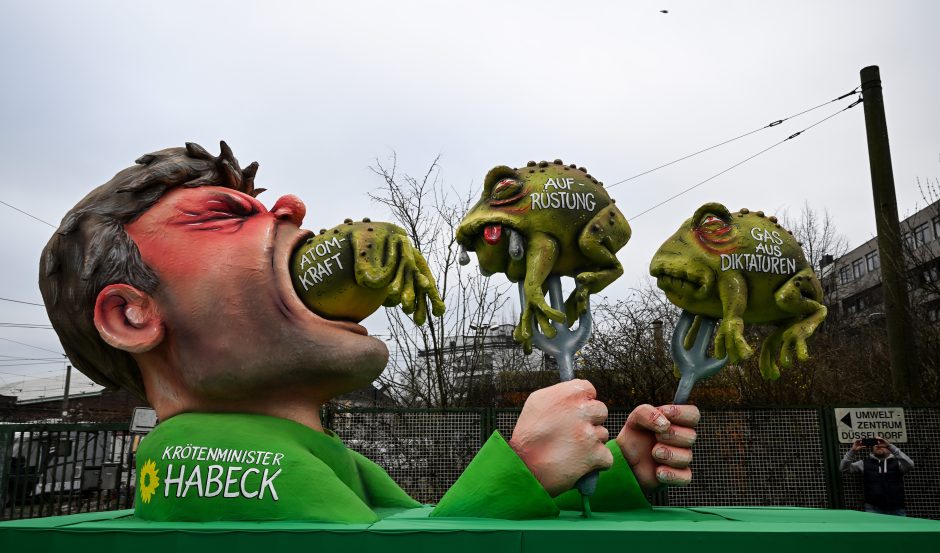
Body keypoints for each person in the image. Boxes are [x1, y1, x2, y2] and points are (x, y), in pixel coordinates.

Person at [39, 141, 699, 522]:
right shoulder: (202, 457)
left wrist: (607, 477)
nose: (290, 210)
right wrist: (518, 467)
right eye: (221, 215)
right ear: (132, 315)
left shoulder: (323, 457)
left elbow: (417, 524)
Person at [840, 438, 914, 516]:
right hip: (873, 508)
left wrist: (890, 446)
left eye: (882, 444)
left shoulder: (898, 463)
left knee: (900, 528)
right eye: (876, 444)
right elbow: (843, 468)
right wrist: (852, 451)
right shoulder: (864, 463)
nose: (879, 446)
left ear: (888, 448)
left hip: (897, 508)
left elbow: (910, 464)